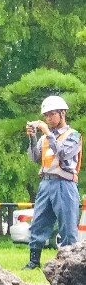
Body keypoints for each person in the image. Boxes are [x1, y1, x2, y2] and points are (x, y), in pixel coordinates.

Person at [24, 95, 82, 270]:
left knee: (67, 227)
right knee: (38, 223)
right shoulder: (44, 138)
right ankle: (33, 261)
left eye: (52, 114)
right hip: (46, 184)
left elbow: (63, 153)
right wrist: (32, 137)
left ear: (62, 113)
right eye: (46, 115)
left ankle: (69, 266)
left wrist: (47, 133)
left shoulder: (73, 136)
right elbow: (34, 157)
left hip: (64, 184)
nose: (48, 119)